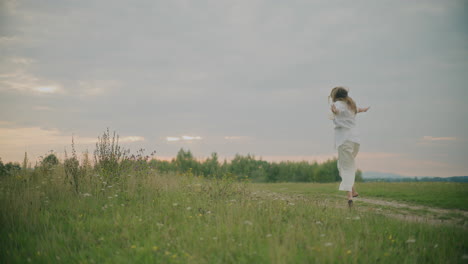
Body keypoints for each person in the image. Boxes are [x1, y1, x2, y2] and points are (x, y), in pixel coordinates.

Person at [329, 87, 370, 207]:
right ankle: (353, 190)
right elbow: (360, 110)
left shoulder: (338, 104)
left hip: (344, 140)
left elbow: (337, 111)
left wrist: (335, 112)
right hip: (355, 140)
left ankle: (349, 197)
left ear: (335, 95)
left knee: (346, 167)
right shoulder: (351, 104)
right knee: (345, 165)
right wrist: (365, 109)